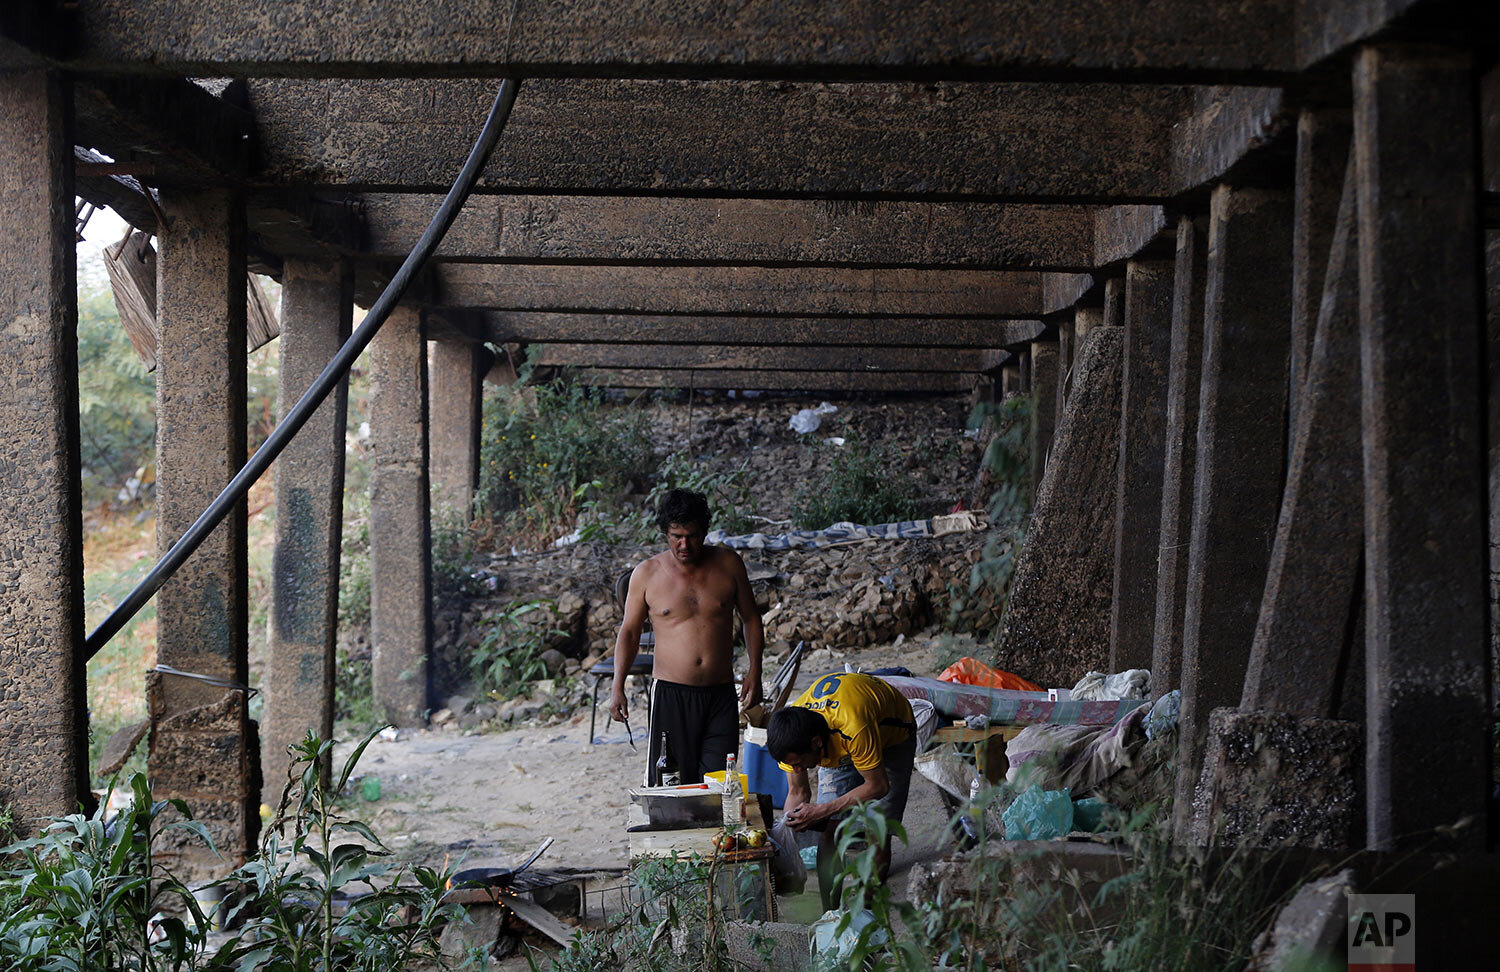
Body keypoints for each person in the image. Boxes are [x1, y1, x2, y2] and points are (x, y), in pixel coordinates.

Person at [610, 488, 764, 783]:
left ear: (704, 531)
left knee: (720, 785)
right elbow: (629, 633)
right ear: (665, 533)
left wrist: (754, 672)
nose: (684, 544)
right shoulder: (646, 574)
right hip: (671, 694)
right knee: (671, 784)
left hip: (720, 694)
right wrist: (618, 686)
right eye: (675, 535)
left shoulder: (729, 564)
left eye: (692, 535)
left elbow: (751, 619)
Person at [767, 671, 917, 908]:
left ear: (816, 743)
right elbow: (797, 792)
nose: (796, 768)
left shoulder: (852, 724)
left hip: (892, 736)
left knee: (878, 830)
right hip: (838, 745)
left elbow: (877, 786)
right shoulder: (789, 739)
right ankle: (831, 915)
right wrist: (788, 835)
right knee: (831, 830)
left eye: (798, 763)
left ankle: (868, 911)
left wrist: (822, 810)